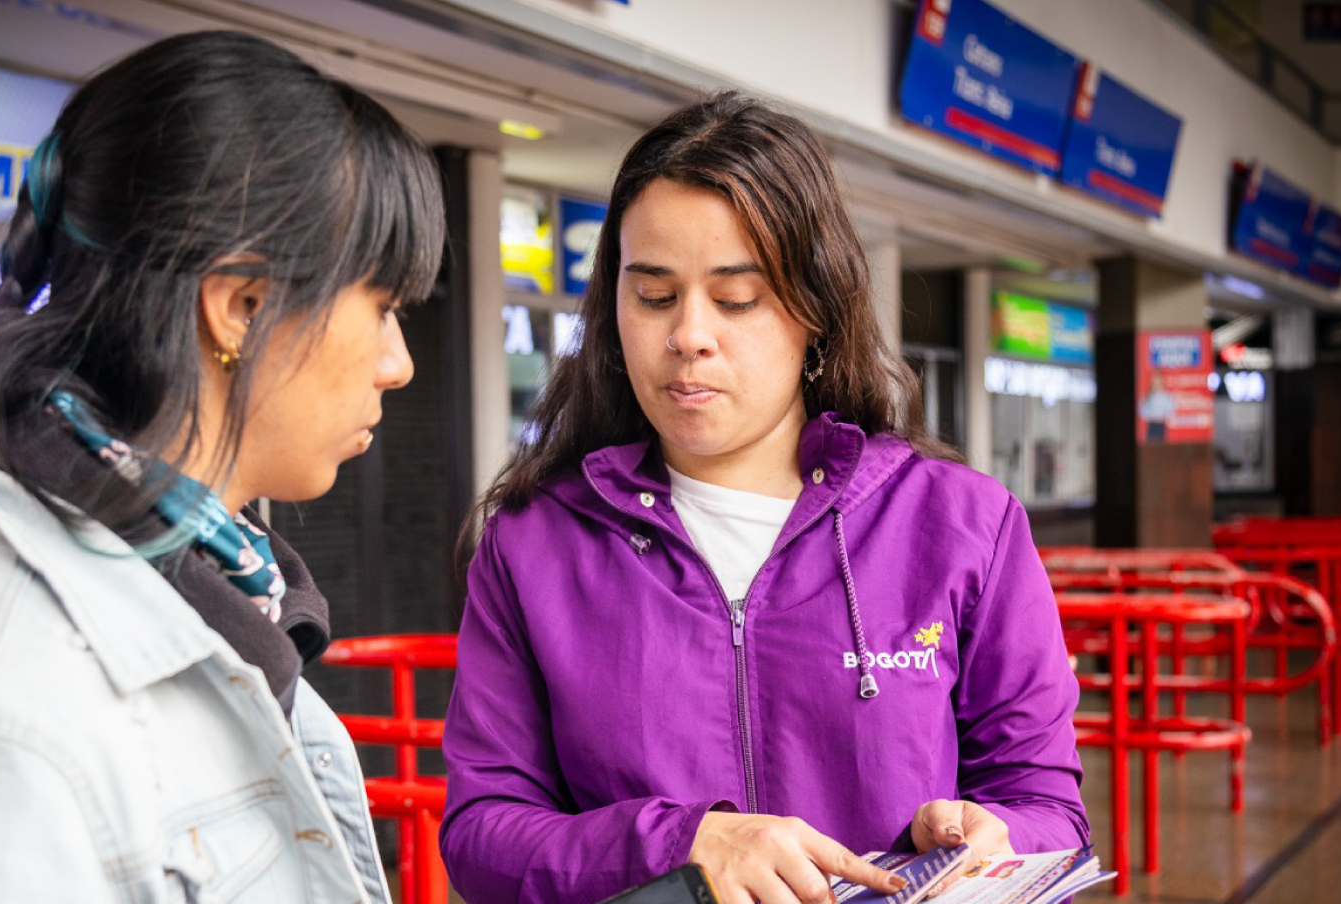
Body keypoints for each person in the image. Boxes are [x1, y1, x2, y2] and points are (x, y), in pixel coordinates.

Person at [0, 31, 443, 903]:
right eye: (384, 306)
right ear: (241, 307)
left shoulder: (214, 595)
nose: (400, 363)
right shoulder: (1, 732)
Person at [440, 92, 1086, 904]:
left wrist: (999, 839)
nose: (689, 334)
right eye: (653, 295)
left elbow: (1048, 807)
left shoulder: (961, 525)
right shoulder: (537, 543)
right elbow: (483, 835)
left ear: (815, 309)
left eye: (736, 298)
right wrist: (686, 843)